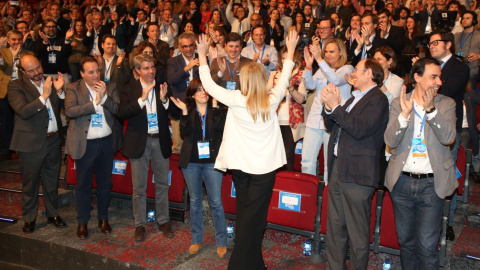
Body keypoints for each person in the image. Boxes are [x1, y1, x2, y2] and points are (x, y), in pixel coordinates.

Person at [196, 30, 299, 270]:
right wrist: (291, 49)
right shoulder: (272, 99)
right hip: (263, 172)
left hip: (241, 169)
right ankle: (239, 265)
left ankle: (255, 263)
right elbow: (285, 75)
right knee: (253, 219)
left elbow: (209, 85)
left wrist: (202, 55)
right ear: (262, 80)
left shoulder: (235, 98)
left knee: (249, 217)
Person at [384, 57, 457, 269]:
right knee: (406, 243)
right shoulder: (400, 103)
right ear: (417, 77)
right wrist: (404, 117)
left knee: (426, 245)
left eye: (439, 77)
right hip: (402, 183)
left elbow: (449, 138)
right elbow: (389, 141)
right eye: (433, 76)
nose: (438, 82)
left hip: (431, 185)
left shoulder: (446, 104)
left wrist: (431, 110)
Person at [320, 58, 389, 269]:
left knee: (357, 234)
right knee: (335, 228)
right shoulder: (353, 99)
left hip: (359, 174)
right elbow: (332, 125)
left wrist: (337, 106)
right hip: (339, 168)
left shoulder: (378, 99)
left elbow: (359, 130)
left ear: (369, 73)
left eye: (357, 70)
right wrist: (329, 107)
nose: (353, 74)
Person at [118, 54, 180, 242]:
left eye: (152, 67)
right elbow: (121, 114)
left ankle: (163, 221)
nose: (151, 71)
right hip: (139, 142)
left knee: (162, 184)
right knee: (139, 188)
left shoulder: (163, 86)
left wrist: (164, 100)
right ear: (137, 70)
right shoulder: (129, 89)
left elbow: (176, 112)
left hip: (159, 140)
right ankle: (140, 224)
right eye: (146, 68)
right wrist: (141, 100)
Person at [65, 56, 123, 239]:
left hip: (106, 143)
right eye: (91, 72)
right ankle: (82, 222)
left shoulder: (110, 86)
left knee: (105, 184)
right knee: (83, 185)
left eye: (97, 70)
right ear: (82, 74)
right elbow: (70, 111)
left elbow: (117, 110)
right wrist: (94, 103)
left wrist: (104, 97)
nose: (96, 75)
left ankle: (103, 218)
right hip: (85, 145)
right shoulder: (73, 88)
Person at [169, 78, 228, 258]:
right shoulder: (188, 112)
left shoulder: (217, 110)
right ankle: (196, 239)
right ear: (192, 94)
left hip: (212, 162)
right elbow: (184, 132)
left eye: (205, 90)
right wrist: (185, 112)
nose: (203, 93)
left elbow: (220, 127)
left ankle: (222, 241)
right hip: (192, 163)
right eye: (199, 90)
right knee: (194, 202)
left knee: (216, 202)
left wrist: (217, 105)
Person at [8, 54, 66, 233]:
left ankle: (53, 213)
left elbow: (61, 107)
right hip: (31, 143)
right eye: (31, 70)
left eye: (38, 68)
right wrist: (45, 95)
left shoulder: (50, 81)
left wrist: (60, 91)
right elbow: (24, 111)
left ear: (41, 64)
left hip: (53, 140)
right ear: (23, 72)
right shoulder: (15, 86)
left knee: (51, 181)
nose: (36, 73)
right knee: (30, 183)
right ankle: (29, 218)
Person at [425, 30, 469, 241]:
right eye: (430, 43)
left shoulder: (460, 67)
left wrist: (426, 79)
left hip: (448, 128)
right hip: (425, 125)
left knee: (446, 174)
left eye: (436, 42)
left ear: (448, 44)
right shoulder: (426, 65)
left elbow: (445, 92)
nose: (431, 46)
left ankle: (447, 221)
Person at [302, 38, 354, 179]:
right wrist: (308, 67)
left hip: (334, 122)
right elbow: (310, 86)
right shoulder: (321, 69)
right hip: (315, 119)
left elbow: (335, 80)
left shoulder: (348, 69)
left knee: (329, 163)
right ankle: (310, 194)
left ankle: (326, 196)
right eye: (326, 52)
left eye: (332, 51)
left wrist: (319, 59)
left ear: (341, 53)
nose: (328, 54)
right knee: (307, 161)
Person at [268, 47, 307, 171]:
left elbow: (301, 99)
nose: (285, 61)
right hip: (273, 119)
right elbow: (265, 93)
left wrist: (290, 88)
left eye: (288, 57)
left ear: (295, 59)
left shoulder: (302, 74)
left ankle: (287, 184)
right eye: (283, 58)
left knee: (288, 155)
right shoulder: (274, 74)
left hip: (291, 122)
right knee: (272, 155)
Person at [0, 30, 33, 160]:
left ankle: (21, 148)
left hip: (21, 91)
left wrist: (19, 56)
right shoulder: (3, 53)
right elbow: (2, 66)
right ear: (8, 40)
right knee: (5, 122)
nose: (17, 42)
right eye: (14, 39)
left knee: (23, 121)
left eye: (19, 39)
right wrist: (13, 57)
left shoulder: (28, 54)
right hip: (4, 90)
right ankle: (5, 149)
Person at [167, 32, 200, 154]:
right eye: (185, 46)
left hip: (199, 107)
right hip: (180, 108)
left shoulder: (202, 59)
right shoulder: (173, 62)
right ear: (180, 47)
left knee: (198, 142)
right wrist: (187, 68)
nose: (189, 48)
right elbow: (171, 80)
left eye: (191, 45)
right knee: (178, 146)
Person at [454, 11, 480, 92]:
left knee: (467, 96)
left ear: (474, 21)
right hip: (456, 70)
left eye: (468, 18)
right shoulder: (456, 35)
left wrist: (479, 56)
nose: (464, 20)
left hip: (471, 71)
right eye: (463, 18)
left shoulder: (479, 35)